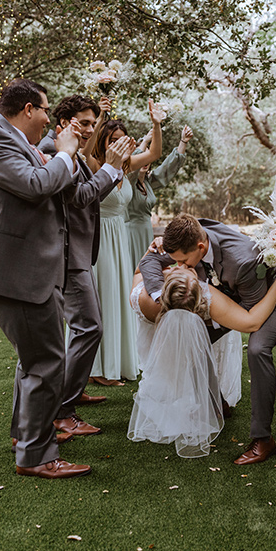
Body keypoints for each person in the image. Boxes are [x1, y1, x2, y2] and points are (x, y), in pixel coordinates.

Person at [0, 78, 90, 478]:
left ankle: (24, 436)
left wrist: (62, 159)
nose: (49, 118)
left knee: (35, 359)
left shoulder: (19, 142)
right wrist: (64, 155)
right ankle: (37, 456)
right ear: (28, 108)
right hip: (17, 270)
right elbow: (35, 187)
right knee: (47, 361)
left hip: (30, 267)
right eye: (45, 109)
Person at [140, 213, 276, 465]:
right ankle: (217, 404)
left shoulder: (243, 260)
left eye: (182, 261)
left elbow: (251, 317)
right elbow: (149, 261)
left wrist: (209, 311)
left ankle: (263, 439)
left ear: (201, 248)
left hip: (271, 297)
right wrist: (162, 294)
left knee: (257, 349)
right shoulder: (189, 236)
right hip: (234, 301)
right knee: (190, 335)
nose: (178, 266)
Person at [39, 94, 133, 435]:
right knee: (88, 327)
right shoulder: (55, 152)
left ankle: (69, 397)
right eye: (85, 123)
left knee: (86, 328)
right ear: (63, 123)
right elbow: (79, 198)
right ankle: (62, 410)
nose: (91, 130)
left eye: (94, 124)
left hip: (76, 252)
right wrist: (111, 167)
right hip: (65, 254)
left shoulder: (72, 153)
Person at [128, 265, 276, 457]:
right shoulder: (210, 301)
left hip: (159, 349)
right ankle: (213, 403)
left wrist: (152, 253)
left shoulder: (142, 299)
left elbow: (138, 272)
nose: (183, 265)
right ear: (200, 303)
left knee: (185, 359)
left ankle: (214, 401)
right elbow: (252, 322)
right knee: (195, 350)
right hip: (185, 330)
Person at [88, 102, 164, 385]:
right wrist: (100, 119)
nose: (119, 146)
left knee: (119, 297)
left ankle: (116, 362)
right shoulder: (95, 164)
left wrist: (156, 123)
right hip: (100, 237)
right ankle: (97, 369)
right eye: (113, 140)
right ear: (103, 143)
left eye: (122, 140)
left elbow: (155, 152)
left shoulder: (128, 166)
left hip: (119, 235)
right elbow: (85, 152)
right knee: (103, 297)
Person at [127, 125, 193, 270]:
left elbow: (168, 169)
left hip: (146, 232)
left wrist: (183, 141)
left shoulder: (148, 182)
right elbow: (132, 167)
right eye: (140, 157)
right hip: (129, 235)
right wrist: (145, 141)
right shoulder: (127, 181)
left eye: (146, 157)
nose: (144, 161)